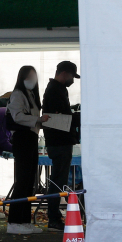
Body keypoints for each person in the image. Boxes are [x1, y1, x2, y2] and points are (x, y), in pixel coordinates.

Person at [5, 66, 49, 235]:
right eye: (30, 76)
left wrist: (41, 121)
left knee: (30, 180)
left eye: (34, 76)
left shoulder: (31, 95)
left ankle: (24, 220)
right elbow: (17, 117)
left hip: (31, 138)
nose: (33, 79)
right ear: (22, 77)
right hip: (22, 138)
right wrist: (37, 119)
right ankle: (15, 221)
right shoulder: (17, 94)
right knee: (23, 181)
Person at [42, 61, 80, 232]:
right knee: (58, 181)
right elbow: (61, 119)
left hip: (58, 141)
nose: (72, 80)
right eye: (72, 76)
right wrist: (79, 117)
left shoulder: (56, 89)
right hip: (60, 141)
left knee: (58, 179)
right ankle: (54, 217)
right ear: (65, 73)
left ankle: (54, 215)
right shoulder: (55, 90)